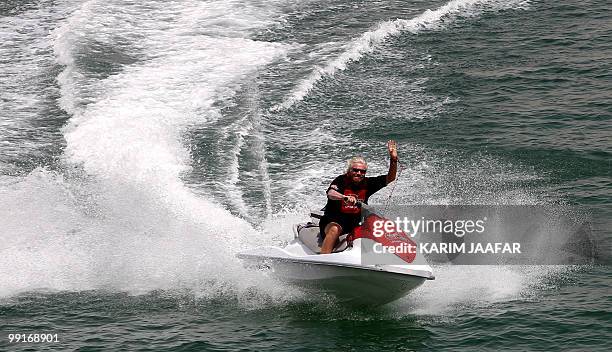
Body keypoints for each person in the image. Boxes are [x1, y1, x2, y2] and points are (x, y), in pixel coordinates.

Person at [319, 140, 399, 254]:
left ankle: (391, 256)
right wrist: (344, 197)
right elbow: (331, 193)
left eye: (362, 171)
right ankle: (324, 259)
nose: (359, 173)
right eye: (355, 170)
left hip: (355, 224)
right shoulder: (341, 180)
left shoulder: (368, 183)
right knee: (334, 229)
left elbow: (390, 178)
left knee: (379, 226)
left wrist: (393, 159)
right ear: (349, 171)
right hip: (332, 222)